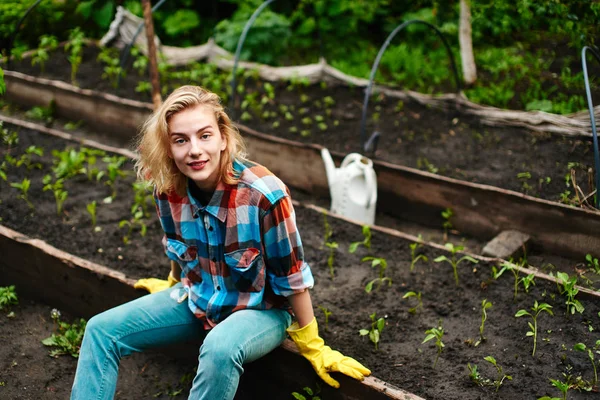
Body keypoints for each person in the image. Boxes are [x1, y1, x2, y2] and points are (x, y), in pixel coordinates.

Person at [71, 85, 370, 399]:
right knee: (100, 330)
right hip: (199, 298)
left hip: (261, 311)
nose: (195, 150)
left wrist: (313, 344)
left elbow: (291, 276)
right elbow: (177, 244)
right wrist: (173, 281)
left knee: (219, 348)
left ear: (223, 137)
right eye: (180, 140)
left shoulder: (264, 195)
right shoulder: (169, 189)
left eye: (205, 135)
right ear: (168, 148)